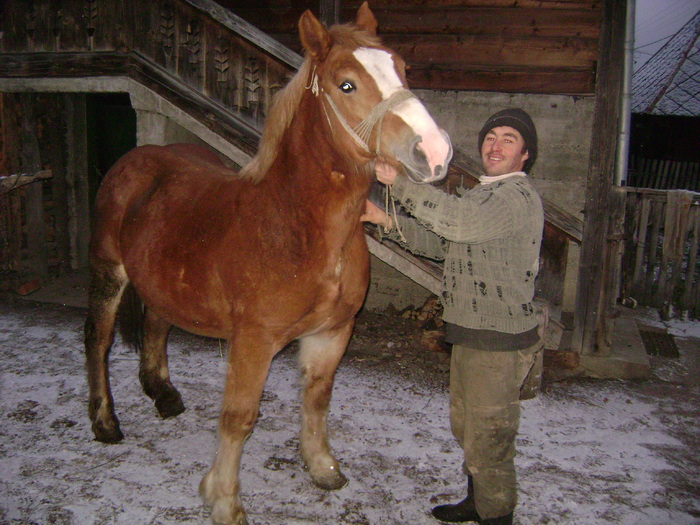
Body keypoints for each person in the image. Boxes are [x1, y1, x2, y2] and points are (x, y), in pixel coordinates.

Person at [361, 108, 544, 525]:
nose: (495, 146)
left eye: (508, 139)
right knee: (469, 429)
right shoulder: (486, 193)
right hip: (471, 334)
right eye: (491, 136)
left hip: (498, 342)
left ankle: (496, 515)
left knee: (490, 438)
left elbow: (456, 224)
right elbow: (448, 245)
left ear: (525, 155)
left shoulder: (514, 197)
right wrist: (385, 218)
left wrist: (401, 185)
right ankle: (477, 501)